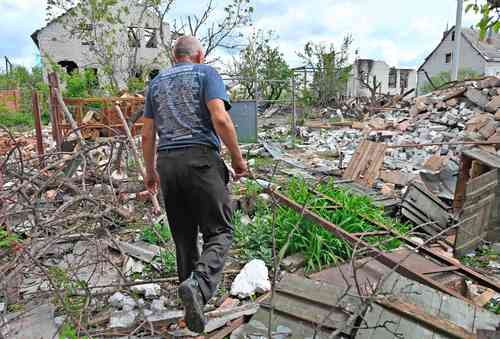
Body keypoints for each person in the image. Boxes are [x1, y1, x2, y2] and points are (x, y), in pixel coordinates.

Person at [141, 36, 247, 333]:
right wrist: (238, 161)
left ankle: (192, 308)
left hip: (168, 165)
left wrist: (150, 173)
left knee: (184, 238)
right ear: (199, 55)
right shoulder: (207, 73)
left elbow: (147, 134)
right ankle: (199, 287)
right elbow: (220, 118)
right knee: (220, 231)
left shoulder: (156, 82)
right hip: (200, 160)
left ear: (175, 56)